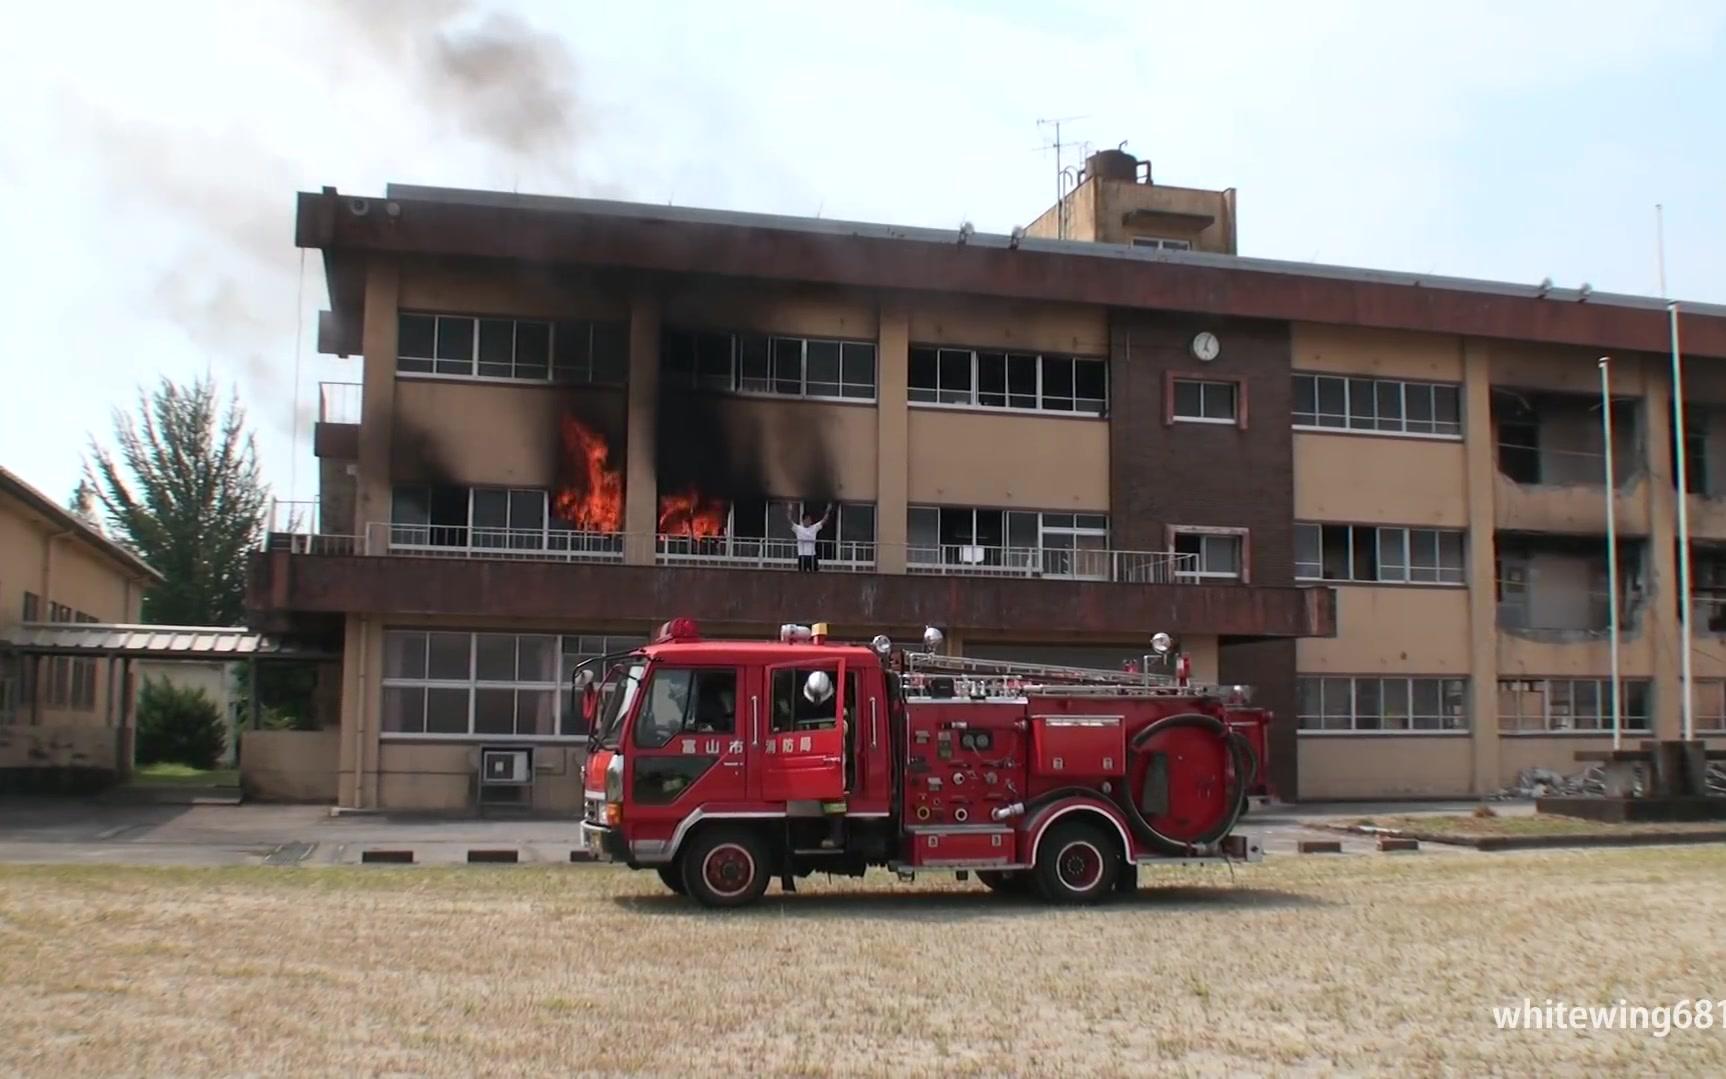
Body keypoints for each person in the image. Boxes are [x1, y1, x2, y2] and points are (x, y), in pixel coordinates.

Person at [788, 503, 833, 572]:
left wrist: (828, 511)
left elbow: (824, 520)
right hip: (802, 555)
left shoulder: (814, 527)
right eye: (807, 520)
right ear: (803, 520)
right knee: (802, 574)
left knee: (815, 573)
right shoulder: (798, 528)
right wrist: (790, 510)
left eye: (810, 520)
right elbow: (789, 521)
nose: (809, 521)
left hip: (812, 555)